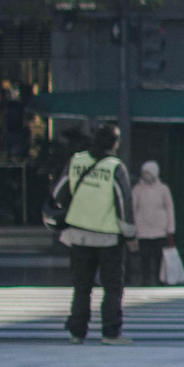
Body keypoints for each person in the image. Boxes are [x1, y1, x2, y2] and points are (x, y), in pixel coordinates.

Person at [53, 126, 134, 344]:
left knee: (82, 286)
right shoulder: (115, 167)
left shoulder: (76, 161)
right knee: (112, 287)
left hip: (79, 234)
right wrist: (130, 233)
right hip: (108, 236)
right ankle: (110, 333)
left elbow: (58, 192)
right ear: (114, 143)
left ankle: (77, 332)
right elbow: (123, 203)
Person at [129, 161, 176, 286]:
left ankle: (160, 279)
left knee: (159, 257)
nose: (145, 175)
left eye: (148, 173)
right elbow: (133, 208)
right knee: (145, 256)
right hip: (142, 229)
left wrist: (170, 228)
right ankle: (146, 279)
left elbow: (169, 208)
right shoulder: (137, 189)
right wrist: (133, 227)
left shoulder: (163, 189)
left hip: (160, 229)